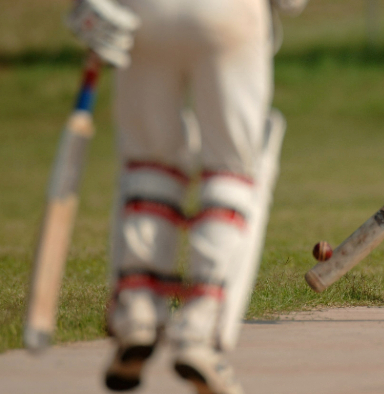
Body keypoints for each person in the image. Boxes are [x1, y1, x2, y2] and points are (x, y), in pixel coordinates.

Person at [66, 0, 307, 393]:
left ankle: (138, 313)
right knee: (229, 171)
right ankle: (199, 331)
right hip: (229, 16)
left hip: (146, 14)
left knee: (149, 164)